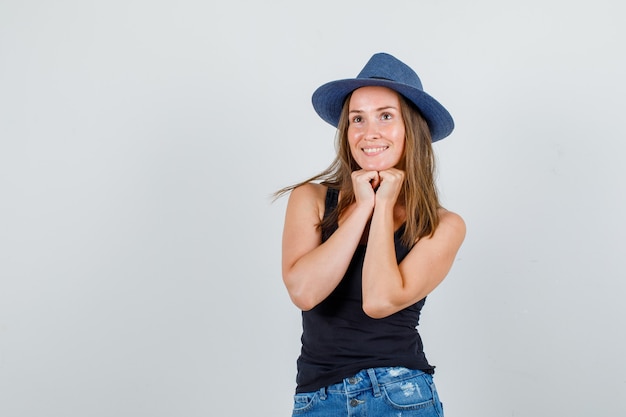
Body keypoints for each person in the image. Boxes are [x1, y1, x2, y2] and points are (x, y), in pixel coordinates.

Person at [275, 52, 466, 417]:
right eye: (357, 119)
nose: (369, 132)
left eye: (386, 116)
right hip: (317, 399)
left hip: (401, 394)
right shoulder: (311, 198)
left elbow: (379, 301)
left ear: (413, 127)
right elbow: (304, 292)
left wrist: (383, 205)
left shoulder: (442, 224)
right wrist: (361, 206)